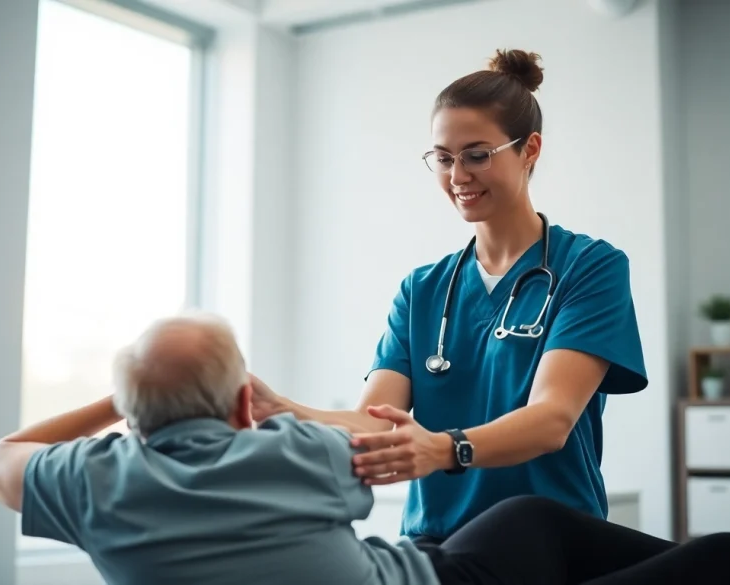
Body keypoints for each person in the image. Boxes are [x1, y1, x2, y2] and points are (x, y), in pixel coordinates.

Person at [0, 311, 730, 585]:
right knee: (726, 557)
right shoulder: (293, 452)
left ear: (129, 413)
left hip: (461, 548)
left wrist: (125, 401)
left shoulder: (87, 483)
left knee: (531, 518)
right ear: (240, 402)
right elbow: (379, 436)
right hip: (446, 577)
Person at [248, 47, 650, 542]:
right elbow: (374, 423)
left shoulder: (589, 267)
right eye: (442, 159)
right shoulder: (422, 290)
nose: (457, 177)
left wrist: (445, 449)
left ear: (530, 149)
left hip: (549, 541)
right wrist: (283, 408)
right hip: (435, 543)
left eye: (477, 155)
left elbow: (552, 420)